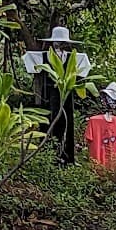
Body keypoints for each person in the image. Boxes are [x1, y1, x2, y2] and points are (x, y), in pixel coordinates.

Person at [22, 25, 92, 165]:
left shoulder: (73, 57)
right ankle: (48, 156)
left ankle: (66, 156)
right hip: (50, 93)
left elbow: (85, 67)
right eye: (56, 42)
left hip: (65, 93)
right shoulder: (45, 56)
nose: (58, 44)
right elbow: (28, 59)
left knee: (66, 123)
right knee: (48, 121)